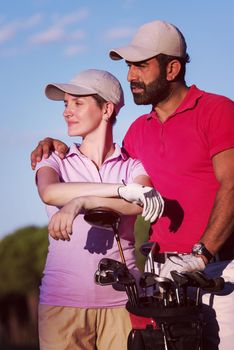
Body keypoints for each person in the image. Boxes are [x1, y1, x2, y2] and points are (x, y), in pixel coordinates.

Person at [31, 21, 234, 349]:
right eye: (128, 67)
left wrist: (201, 254)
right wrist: (57, 146)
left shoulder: (218, 110)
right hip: (161, 277)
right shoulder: (138, 132)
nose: (130, 76)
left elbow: (232, 185)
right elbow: (120, 184)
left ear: (172, 68)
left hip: (217, 268)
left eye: (141, 65)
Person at [34, 68, 164, 350]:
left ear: (106, 109)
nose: (67, 111)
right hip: (61, 307)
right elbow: (50, 192)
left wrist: (81, 202)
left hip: (124, 305)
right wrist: (118, 189)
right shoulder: (55, 160)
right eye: (66, 104)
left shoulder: (133, 166)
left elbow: (137, 202)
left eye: (77, 103)